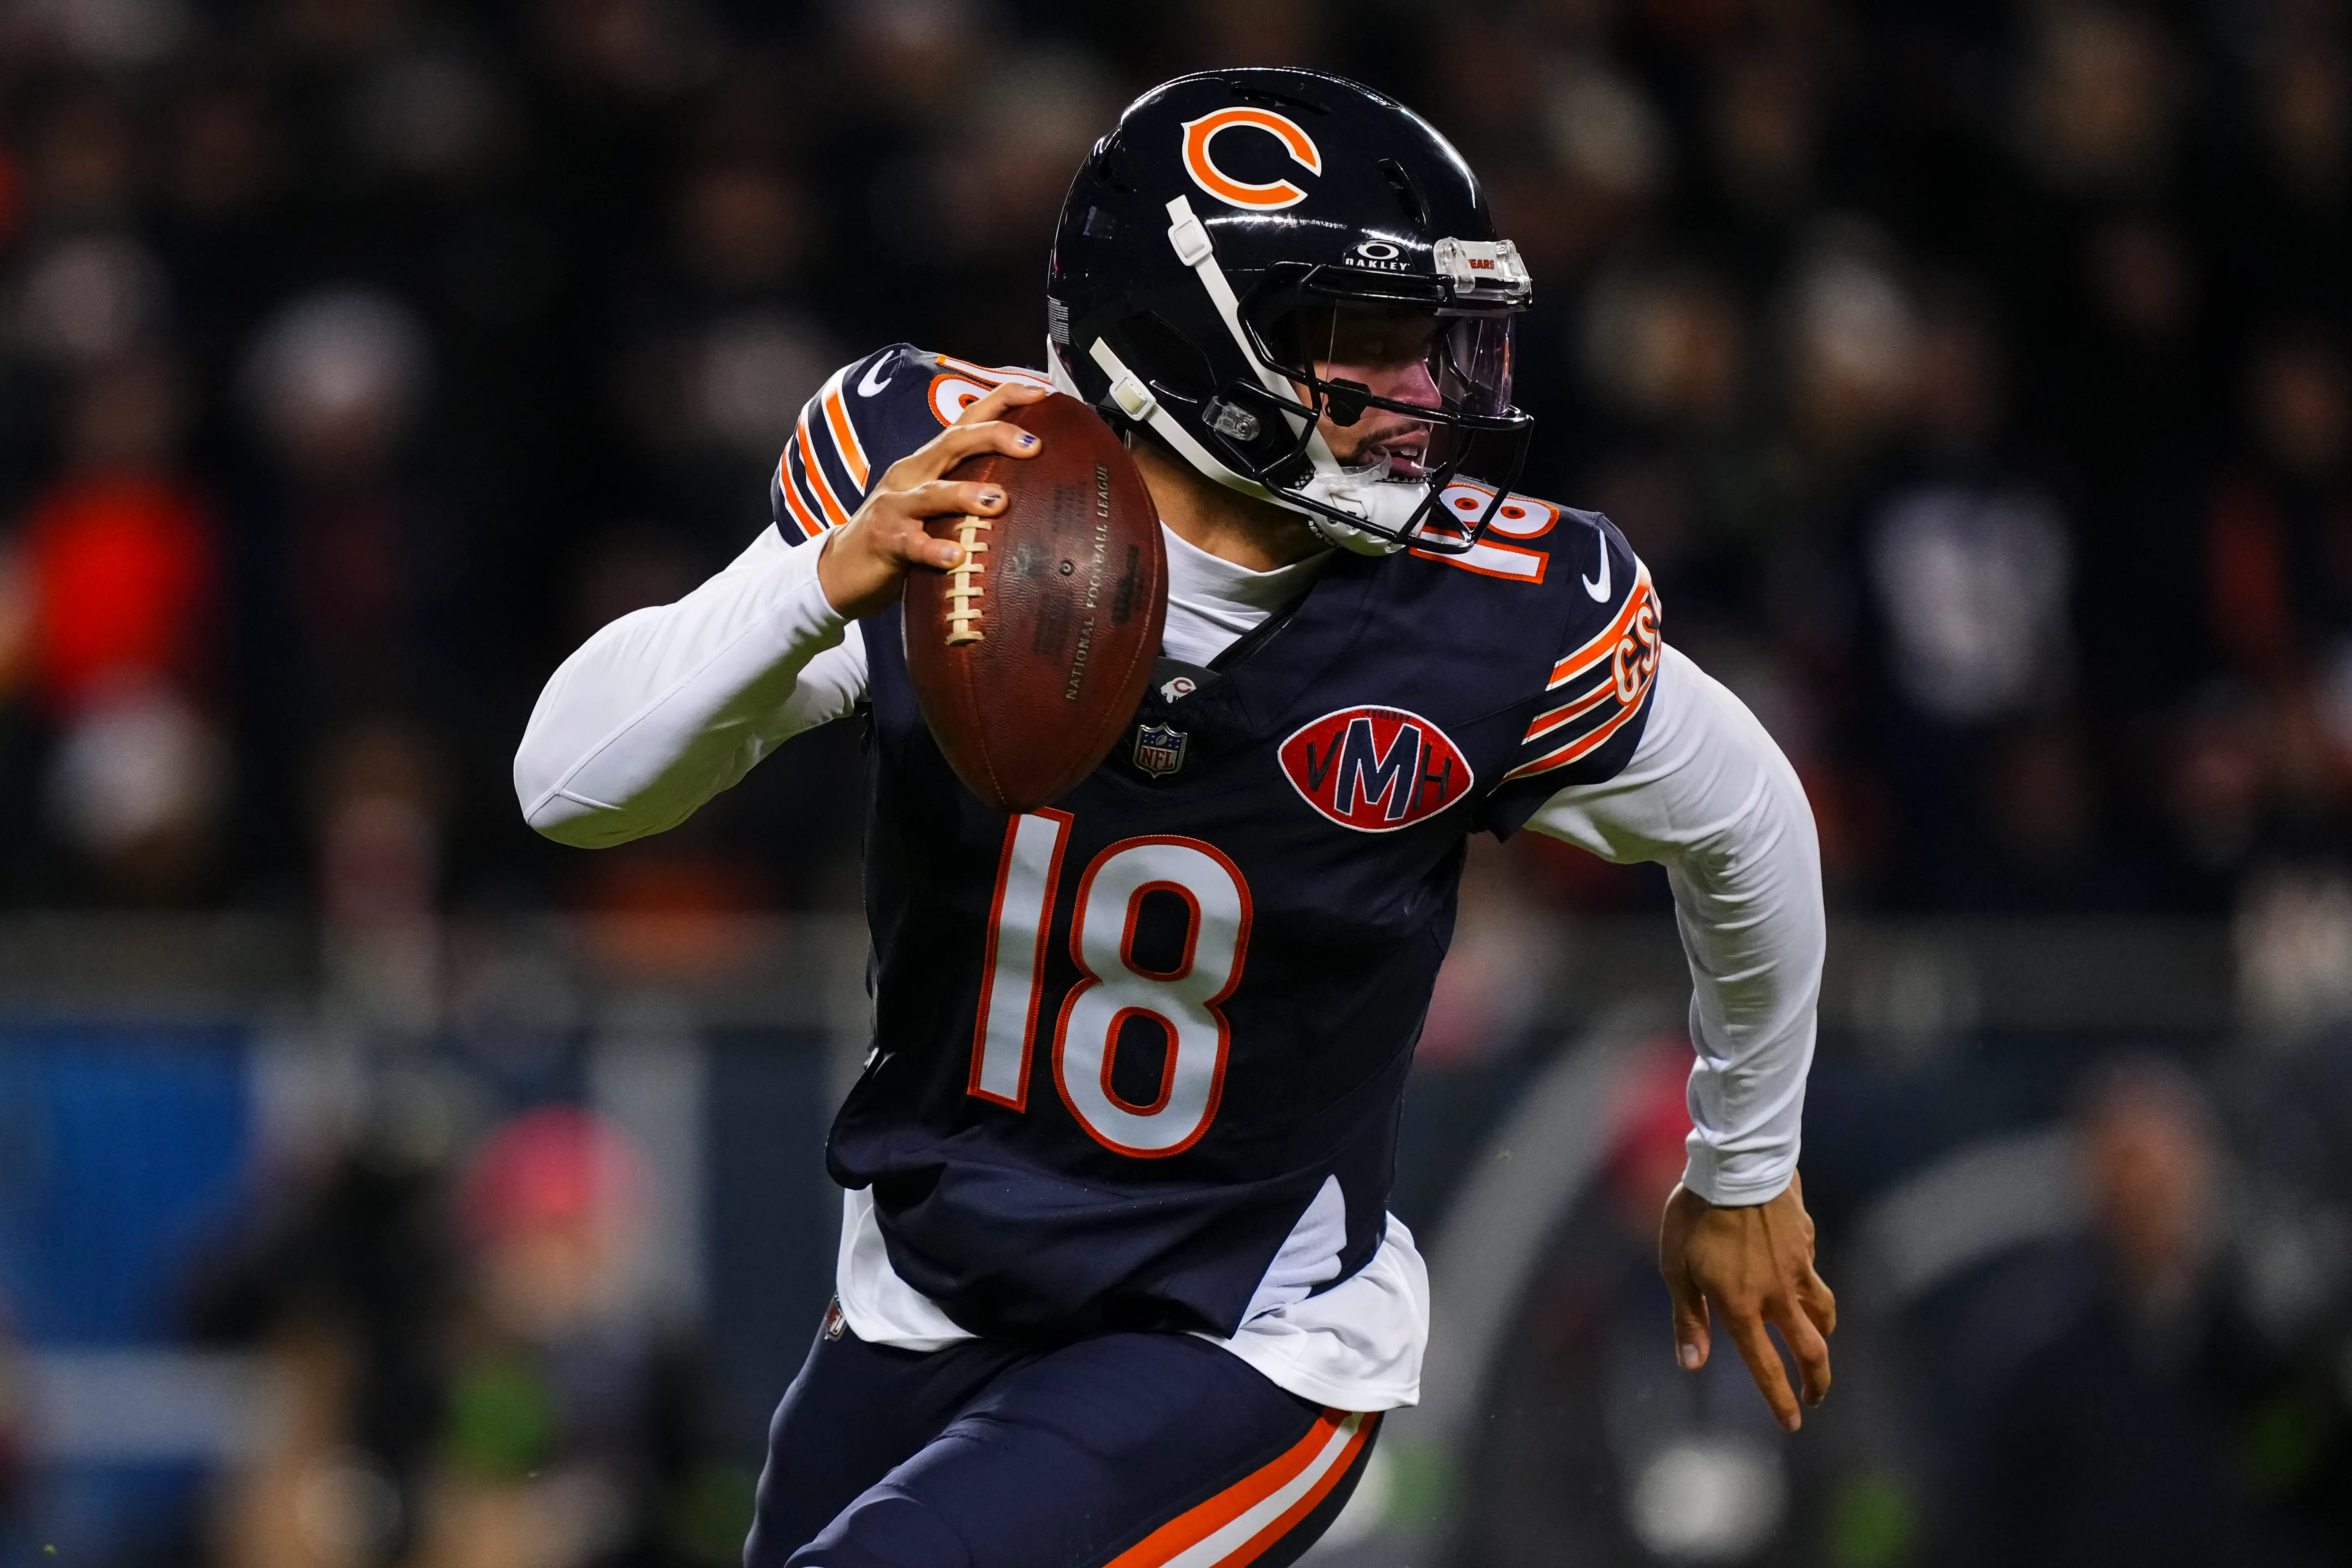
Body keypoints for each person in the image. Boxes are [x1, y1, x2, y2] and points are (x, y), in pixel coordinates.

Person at [516, 68, 1832, 1568]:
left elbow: (1749, 818)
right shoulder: (952, 495)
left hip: (1240, 1336)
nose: (1424, 391)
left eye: (1433, 338)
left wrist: (1744, 1164)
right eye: (1368, 337)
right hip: (931, 1294)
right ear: (1190, 338)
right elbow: (570, 785)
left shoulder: (1491, 622)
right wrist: (815, 583)